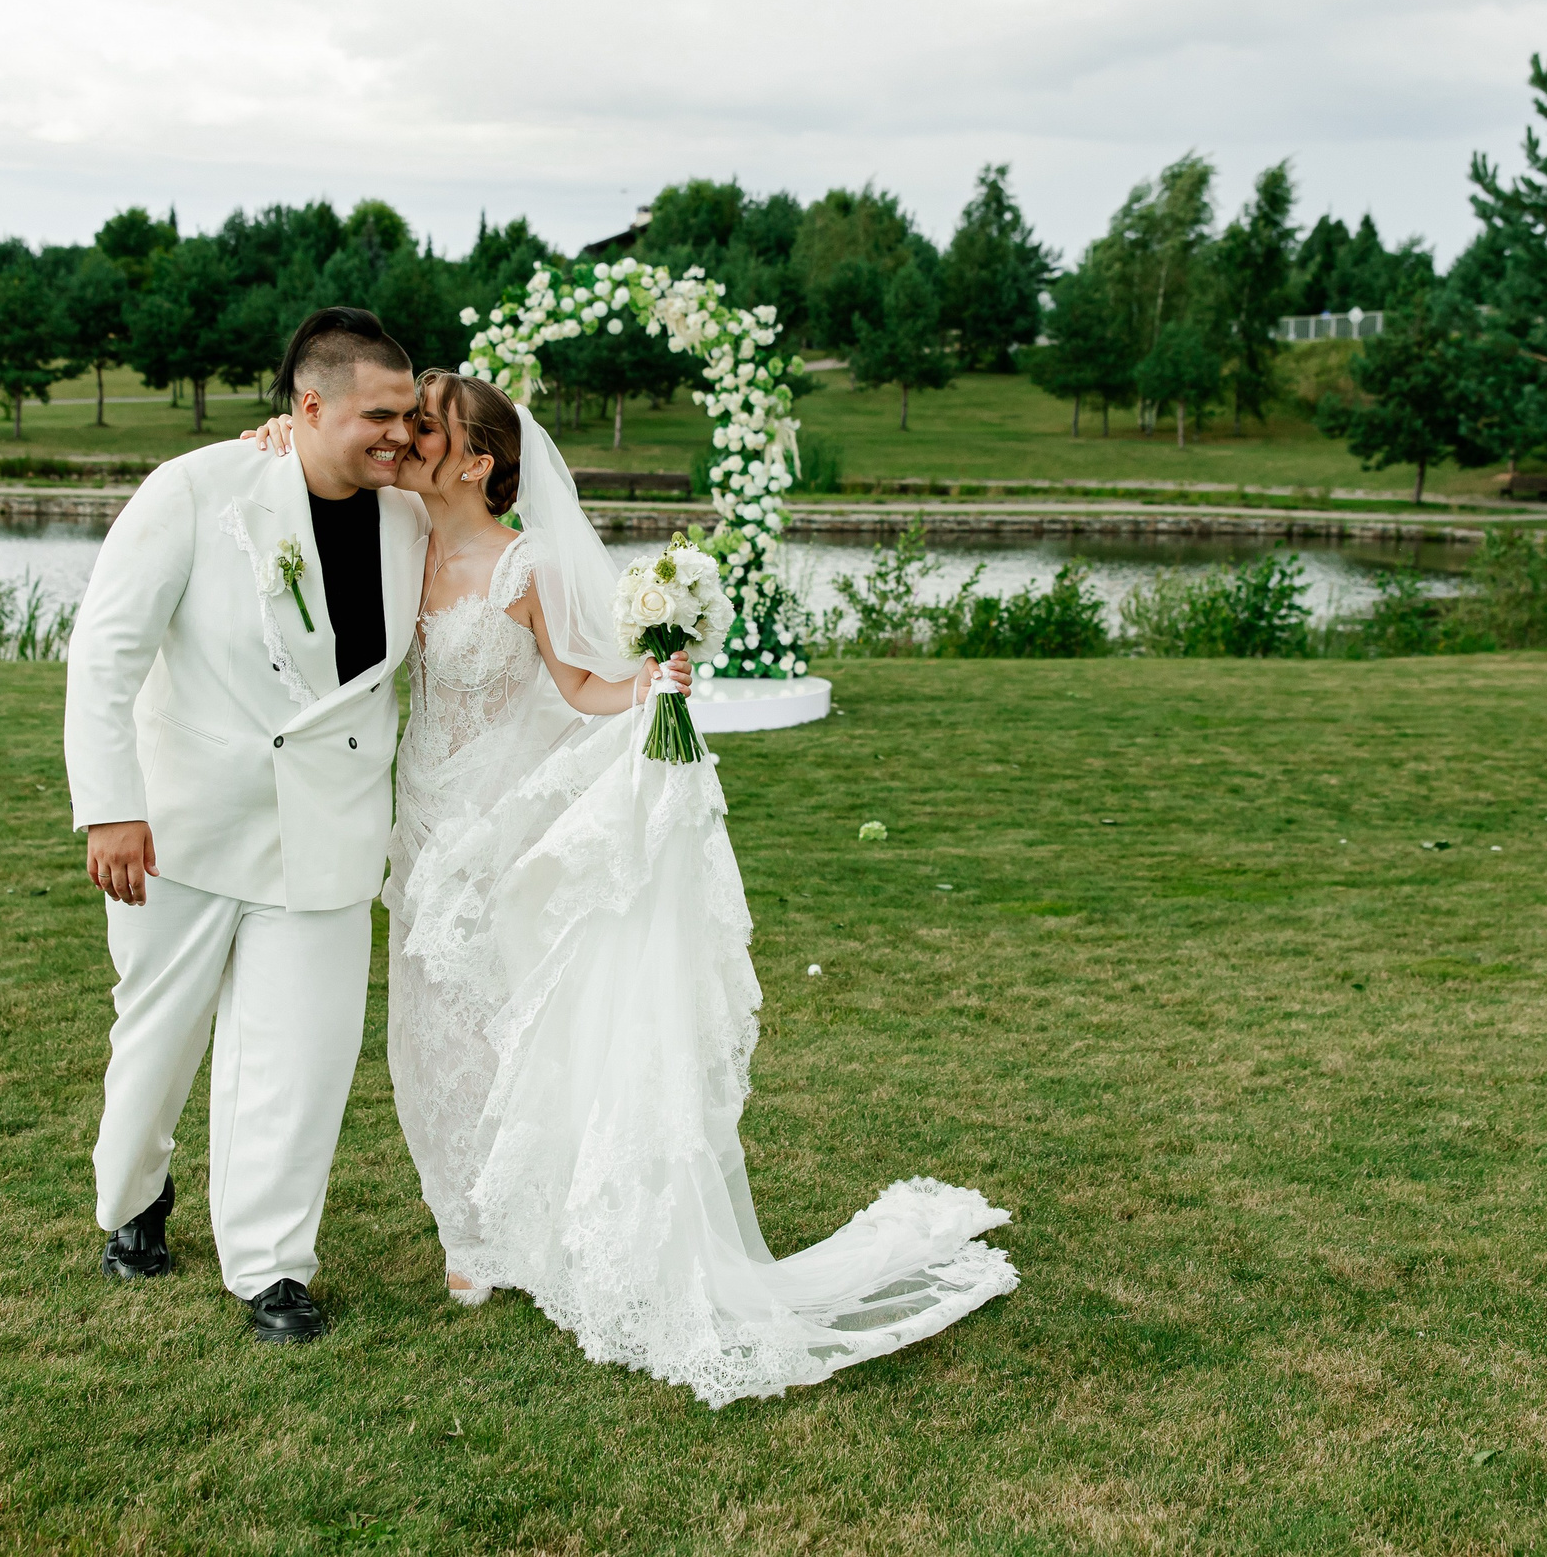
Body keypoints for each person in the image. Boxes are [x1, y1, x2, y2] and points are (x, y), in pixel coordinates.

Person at [247, 374, 1016, 1406]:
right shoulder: (390, 529)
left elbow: (578, 687)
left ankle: (519, 1227)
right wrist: (273, 432)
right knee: (427, 1026)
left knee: (502, 1020)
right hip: (419, 819)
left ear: (478, 461)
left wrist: (656, 679)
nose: (406, 438)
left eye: (428, 427)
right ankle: (467, 1230)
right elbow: (317, 465)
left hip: (502, 815)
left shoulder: (521, 565)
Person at [64, 306, 427, 1344]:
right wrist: (111, 807)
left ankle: (273, 1267)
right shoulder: (195, 490)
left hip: (330, 830)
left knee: (301, 1058)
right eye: (378, 413)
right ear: (307, 406)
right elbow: (107, 652)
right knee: (159, 1035)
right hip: (181, 824)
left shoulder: (409, 519)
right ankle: (133, 1199)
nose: (399, 433)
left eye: (408, 413)